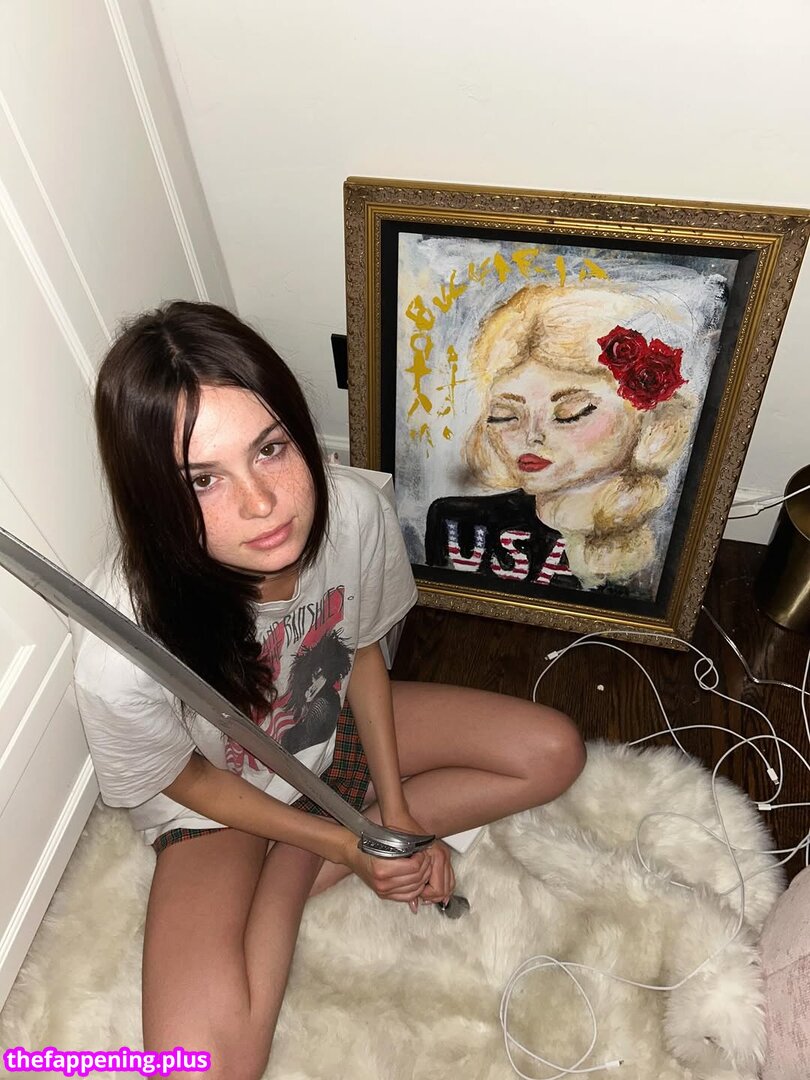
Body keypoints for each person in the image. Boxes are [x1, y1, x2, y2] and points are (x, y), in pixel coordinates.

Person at [71, 301, 586, 1080]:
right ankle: (295, 864)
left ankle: (312, 851)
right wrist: (341, 843)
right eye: (203, 479)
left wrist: (397, 816)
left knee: (554, 752)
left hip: (329, 725)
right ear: (153, 497)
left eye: (270, 448)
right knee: (201, 1068)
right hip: (221, 801)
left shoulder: (353, 511)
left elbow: (363, 651)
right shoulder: (119, 649)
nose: (261, 503)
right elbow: (184, 778)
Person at [426, 281, 716, 595]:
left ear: (644, 416)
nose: (531, 437)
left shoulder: (673, 552)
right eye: (506, 415)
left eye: (570, 413)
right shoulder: (458, 524)